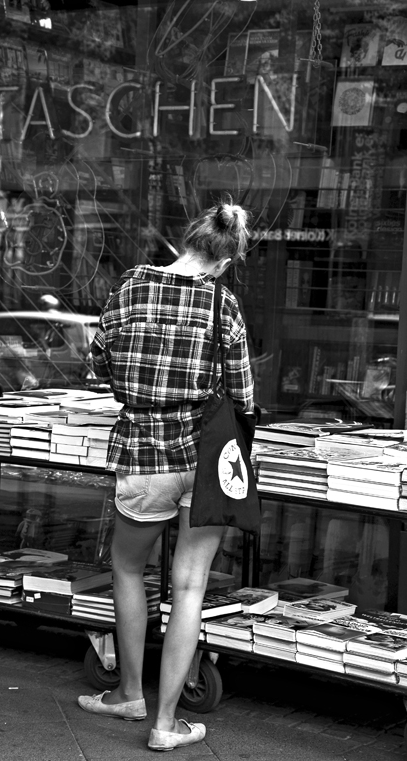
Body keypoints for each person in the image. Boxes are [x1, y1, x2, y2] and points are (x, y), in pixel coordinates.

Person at [78, 199, 254, 750]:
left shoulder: (131, 286)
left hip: (143, 454)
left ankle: (129, 693)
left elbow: (97, 362)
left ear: (188, 242)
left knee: (128, 569)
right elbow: (246, 399)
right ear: (223, 261)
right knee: (189, 586)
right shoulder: (222, 303)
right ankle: (166, 724)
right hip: (206, 459)